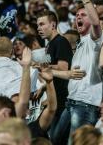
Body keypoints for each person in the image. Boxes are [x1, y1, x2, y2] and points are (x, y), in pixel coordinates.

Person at [52, 0, 103, 144]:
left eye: (83, 15)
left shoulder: (94, 40)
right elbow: (71, 75)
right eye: (76, 16)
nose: (78, 18)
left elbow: (96, 22)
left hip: (85, 105)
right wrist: (48, 71)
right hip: (71, 102)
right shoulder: (81, 44)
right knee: (55, 139)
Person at [36, 10, 73, 138]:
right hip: (55, 100)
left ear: (52, 25)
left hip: (63, 101)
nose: (38, 28)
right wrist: (44, 87)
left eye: (42, 24)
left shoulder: (61, 42)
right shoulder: (49, 44)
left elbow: (63, 68)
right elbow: (48, 69)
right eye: (37, 25)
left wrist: (43, 67)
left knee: (56, 139)